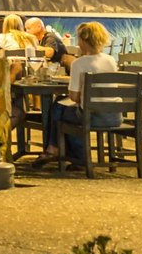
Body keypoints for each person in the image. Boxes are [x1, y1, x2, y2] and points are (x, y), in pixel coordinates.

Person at [51, 22, 118, 164]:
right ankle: (60, 151)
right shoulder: (111, 60)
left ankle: (73, 155)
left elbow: (74, 97)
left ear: (82, 40)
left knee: (58, 110)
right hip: (114, 115)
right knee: (61, 108)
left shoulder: (79, 63)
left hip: (92, 117)